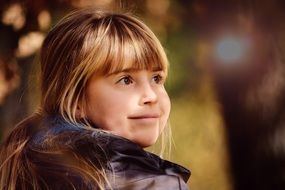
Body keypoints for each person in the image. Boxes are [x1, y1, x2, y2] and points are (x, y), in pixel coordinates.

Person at [0, 7, 190, 190]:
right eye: (125, 80)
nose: (151, 96)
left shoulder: (29, 165)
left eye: (156, 78)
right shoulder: (142, 182)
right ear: (75, 100)